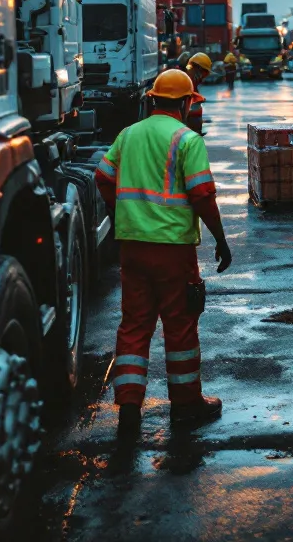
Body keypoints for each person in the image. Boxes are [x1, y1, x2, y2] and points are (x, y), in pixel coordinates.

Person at [95, 69, 233, 437]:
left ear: (153, 99)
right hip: (173, 251)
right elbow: (202, 194)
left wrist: (120, 214)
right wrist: (220, 238)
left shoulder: (128, 135)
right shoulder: (186, 139)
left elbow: (103, 177)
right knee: (180, 324)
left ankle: (128, 406)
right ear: (187, 103)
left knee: (135, 325)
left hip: (133, 248)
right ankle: (187, 405)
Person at [185, 52, 212, 134]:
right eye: (204, 72)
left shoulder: (193, 77)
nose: (203, 77)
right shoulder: (187, 78)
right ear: (199, 68)